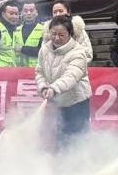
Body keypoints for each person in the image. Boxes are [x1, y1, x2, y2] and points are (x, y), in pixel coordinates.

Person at [36, 14, 93, 148]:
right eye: (53, 34)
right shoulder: (45, 49)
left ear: (70, 34)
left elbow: (71, 76)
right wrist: (43, 87)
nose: (56, 38)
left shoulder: (78, 52)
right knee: (61, 137)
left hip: (76, 103)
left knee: (77, 140)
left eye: (61, 35)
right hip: (57, 102)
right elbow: (39, 71)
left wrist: (53, 88)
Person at [0, 1, 23, 67]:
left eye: (16, 14)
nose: (14, 16)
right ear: (3, 14)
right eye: (11, 14)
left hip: (12, 70)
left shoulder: (15, 29)